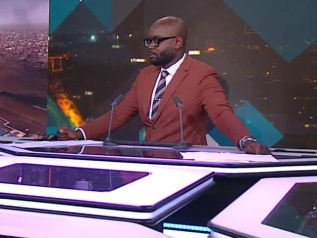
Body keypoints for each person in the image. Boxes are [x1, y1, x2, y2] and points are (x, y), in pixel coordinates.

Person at [56, 16, 270, 155]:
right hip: (151, 165)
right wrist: (80, 133)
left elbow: (221, 114)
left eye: (157, 41)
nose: (150, 46)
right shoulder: (145, 76)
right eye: (148, 41)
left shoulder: (202, 74)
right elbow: (119, 114)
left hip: (187, 166)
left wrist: (245, 141)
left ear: (177, 42)